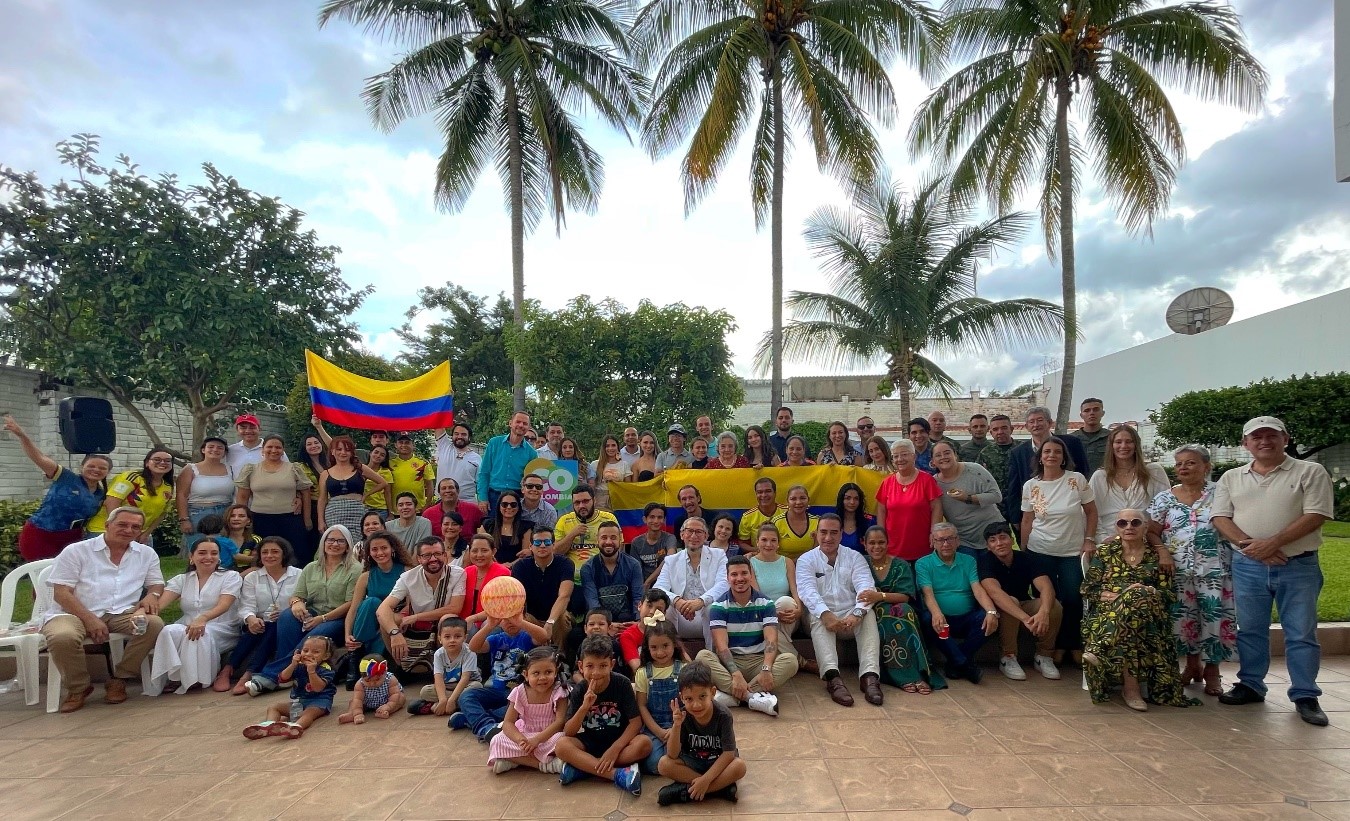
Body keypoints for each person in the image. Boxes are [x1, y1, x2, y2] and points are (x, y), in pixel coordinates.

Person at [1211, 416, 1334, 726]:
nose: (1264, 441)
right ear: (1245, 443)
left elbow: (1317, 514)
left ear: (1286, 438)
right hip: (1248, 565)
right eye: (1257, 437)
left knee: (1301, 632)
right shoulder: (1231, 477)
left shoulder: (1310, 471)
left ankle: (1306, 694)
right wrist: (1251, 546)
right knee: (1250, 630)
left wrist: (1274, 543)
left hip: (1298, 565)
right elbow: (1220, 517)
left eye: (1271, 435)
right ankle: (1251, 684)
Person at [39, 506, 165, 713]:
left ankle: (120, 679)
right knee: (62, 637)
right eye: (122, 524)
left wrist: (152, 595)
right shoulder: (76, 551)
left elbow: (156, 584)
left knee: (153, 624)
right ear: (107, 525)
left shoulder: (146, 554)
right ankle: (78, 688)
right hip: (73, 612)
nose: (128, 530)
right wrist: (89, 619)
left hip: (122, 612)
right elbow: (61, 593)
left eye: (135, 527)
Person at [1082, 510, 1197, 711]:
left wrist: (1147, 592)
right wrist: (1120, 597)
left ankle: (1102, 648)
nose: (1129, 527)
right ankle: (1131, 689)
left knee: (1138, 599)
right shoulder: (1106, 552)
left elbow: (1168, 594)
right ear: (1116, 527)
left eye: (1135, 522)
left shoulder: (1158, 556)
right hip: (1109, 612)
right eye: (1122, 523)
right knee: (1133, 610)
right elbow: (1087, 589)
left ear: (1145, 527)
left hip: (1150, 612)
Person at [1148, 444, 1234, 697]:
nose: (1183, 468)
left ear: (1207, 466)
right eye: (1179, 464)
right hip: (1177, 568)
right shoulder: (1165, 497)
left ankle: (1213, 671)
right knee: (1184, 619)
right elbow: (1152, 530)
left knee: (1213, 617)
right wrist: (1163, 552)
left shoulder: (1221, 493)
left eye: (1191, 463)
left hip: (1214, 569)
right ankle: (1192, 664)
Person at [244, 525, 361, 696]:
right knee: (286, 616)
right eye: (330, 540)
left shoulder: (354, 568)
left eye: (340, 541)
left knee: (316, 635)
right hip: (312, 612)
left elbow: (351, 603)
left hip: (338, 618)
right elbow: (297, 595)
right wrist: (298, 604)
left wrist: (322, 618)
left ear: (348, 545)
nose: (335, 544)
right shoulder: (311, 567)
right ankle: (289, 673)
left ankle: (272, 676)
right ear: (323, 543)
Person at [1019, 436, 1097, 662]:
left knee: (1073, 598)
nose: (1051, 455)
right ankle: (1047, 648)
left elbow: (1091, 512)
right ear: (1040, 457)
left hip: (1071, 552)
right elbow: (1027, 520)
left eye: (1057, 452)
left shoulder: (1076, 480)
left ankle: (1070, 644)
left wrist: (1089, 539)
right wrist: (1024, 551)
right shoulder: (1031, 485)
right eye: (1047, 452)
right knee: (1047, 601)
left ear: (1063, 457)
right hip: (1040, 550)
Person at [796, 514, 883, 707]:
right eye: (823, 532)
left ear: (841, 534)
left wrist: (857, 613)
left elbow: (866, 588)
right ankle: (832, 678)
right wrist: (826, 615)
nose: (828, 537)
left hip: (851, 616)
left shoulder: (854, 557)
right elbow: (807, 592)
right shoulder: (806, 560)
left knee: (868, 615)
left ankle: (869, 677)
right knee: (818, 618)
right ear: (816, 534)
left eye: (834, 533)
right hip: (820, 615)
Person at [696, 555, 798, 717]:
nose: (739, 578)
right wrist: (735, 673)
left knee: (790, 661)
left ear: (751, 575)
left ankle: (734, 697)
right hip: (730, 664)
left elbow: (771, 641)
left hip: (758, 661)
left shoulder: (766, 604)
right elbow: (721, 646)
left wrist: (766, 669)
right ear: (728, 578)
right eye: (734, 575)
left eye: (744, 573)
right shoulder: (718, 607)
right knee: (703, 657)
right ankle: (752, 697)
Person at [3, 414, 110, 561]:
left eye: (102, 468)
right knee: (41, 575)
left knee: (66, 577)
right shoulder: (66, 478)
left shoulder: (101, 494)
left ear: (107, 472)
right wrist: (22, 435)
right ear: (82, 467)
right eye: (91, 466)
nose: (96, 470)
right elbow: (39, 458)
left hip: (71, 539)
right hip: (41, 533)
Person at [555, 634, 649, 795]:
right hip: (591, 743)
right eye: (590, 666)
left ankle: (585, 768)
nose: (596, 673)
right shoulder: (579, 689)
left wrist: (615, 748)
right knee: (562, 746)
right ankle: (616, 774)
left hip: (619, 743)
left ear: (612, 664)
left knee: (645, 743)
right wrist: (584, 707)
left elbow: (636, 722)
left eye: (603, 666)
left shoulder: (622, 684)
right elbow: (569, 732)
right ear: (580, 666)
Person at [147, 537, 243, 695]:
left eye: (214, 553)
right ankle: (174, 677)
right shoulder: (182, 580)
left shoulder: (231, 577)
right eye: (202, 553)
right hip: (189, 624)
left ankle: (195, 679)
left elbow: (224, 605)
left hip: (222, 627)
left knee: (198, 633)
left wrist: (203, 619)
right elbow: (160, 604)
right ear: (191, 557)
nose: (208, 557)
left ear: (219, 557)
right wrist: (143, 613)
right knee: (169, 630)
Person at [915, 523, 1000, 684]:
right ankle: (964, 664)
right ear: (933, 542)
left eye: (950, 539)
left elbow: (978, 589)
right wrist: (937, 613)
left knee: (988, 619)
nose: (945, 544)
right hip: (942, 620)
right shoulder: (923, 563)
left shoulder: (968, 561)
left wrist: (991, 611)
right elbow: (928, 594)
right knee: (928, 619)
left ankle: (956, 661)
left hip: (966, 618)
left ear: (958, 541)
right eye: (940, 540)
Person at [978, 522, 1062, 682]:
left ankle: (1044, 656)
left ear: (1011, 540)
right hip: (999, 610)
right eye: (993, 540)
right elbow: (994, 592)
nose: (999, 543)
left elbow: (1046, 587)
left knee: (1054, 606)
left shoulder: (1026, 559)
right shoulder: (985, 561)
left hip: (1024, 605)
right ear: (988, 546)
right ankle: (1008, 657)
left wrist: (1043, 612)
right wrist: (1025, 619)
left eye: (1003, 538)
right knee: (1011, 601)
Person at [862, 525, 942, 693]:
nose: (877, 547)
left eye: (881, 542)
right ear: (864, 544)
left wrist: (880, 596)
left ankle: (918, 673)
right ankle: (900, 676)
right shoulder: (860, 563)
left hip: (897, 606)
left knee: (904, 611)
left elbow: (905, 596)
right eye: (872, 543)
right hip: (869, 610)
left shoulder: (900, 564)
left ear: (888, 543)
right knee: (889, 616)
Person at [657, 661, 747, 806]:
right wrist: (676, 726)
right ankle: (720, 789)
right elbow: (672, 755)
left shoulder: (723, 715)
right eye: (689, 699)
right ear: (681, 698)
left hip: (717, 762)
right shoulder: (682, 715)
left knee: (739, 767)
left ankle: (686, 791)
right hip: (693, 763)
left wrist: (705, 780)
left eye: (702, 697)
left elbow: (728, 754)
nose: (696, 705)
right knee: (663, 764)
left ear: (712, 692)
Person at [376, 536, 467, 674]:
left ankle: (445, 668)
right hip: (416, 626)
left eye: (437, 554)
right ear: (419, 559)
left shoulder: (458, 574)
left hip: (441, 624)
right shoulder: (408, 577)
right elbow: (382, 609)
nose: (433, 559)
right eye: (427, 555)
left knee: (448, 619)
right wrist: (394, 633)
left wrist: (417, 617)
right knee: (387, 621)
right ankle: (400, 666)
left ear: (445, 555)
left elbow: (455, 608)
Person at [458, 613, 551, 740]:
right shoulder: (496, 639)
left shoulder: (527, 638)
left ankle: (469, 718)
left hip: (521, 695)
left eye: (514, 617)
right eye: (505, 619)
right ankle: (487, 727)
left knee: (515, 712)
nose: (509, 622)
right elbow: (474, 647)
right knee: (466, 696)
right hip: (498, 690)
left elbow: (543, 636)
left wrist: (520, 622)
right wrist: (489, 626)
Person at [227, 536, 301, 695]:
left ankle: (246, 672)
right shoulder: (252, 577)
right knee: (261, 627)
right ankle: (229, 669)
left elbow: (302, 600)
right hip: (260, 623)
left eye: (275, 551)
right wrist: (251, 618)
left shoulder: (298, 575)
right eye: (265, 552)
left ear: (284, 554)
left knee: (274, 626)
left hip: (287, 624)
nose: (269, 555)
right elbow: (246, 606)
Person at [1003, 406, 1091, 528]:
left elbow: (1083, 471)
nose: (1036, 424)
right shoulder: (1018, 452)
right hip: (1034, 511)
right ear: (1027, 426)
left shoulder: (1071, 443)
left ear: (1049, 423)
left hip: (1068, 511)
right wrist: (1015, 518)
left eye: (1040, 420)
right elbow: (1015, 486)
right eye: (1031, 422)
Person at [488, 647, 569, 774]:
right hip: (526, 735)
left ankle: (515, 760)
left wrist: (537, 740)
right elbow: (508, 723)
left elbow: (560, 722)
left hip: (549, 737)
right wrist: (521, 741)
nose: (542, 677)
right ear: (526, 674)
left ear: (556, 671)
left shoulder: (559, 691)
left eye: (548, 672)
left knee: (563, 740)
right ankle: (544, 765)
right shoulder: (519, 691)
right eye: (536, 673)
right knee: (497, 740)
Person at [235, 436, 313, 564]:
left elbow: (306, 493)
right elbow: (243, 497)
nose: (274, 450)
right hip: (260, 520)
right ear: (263, 450)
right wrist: (242, 520)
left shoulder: (294, 468)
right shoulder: (251, 469)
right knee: (264, 556)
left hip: (291, 519)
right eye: (269, 447)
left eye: (278, 447)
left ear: (283, 451)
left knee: (297, 555)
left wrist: (307, 519)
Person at [241, 634, 335, 740]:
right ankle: (268, 725)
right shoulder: (299, 665)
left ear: (326, 656)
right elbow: (283, 678)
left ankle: (296, 727)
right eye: (305, 650)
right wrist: (293, 664)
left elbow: (318, 688)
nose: (309, 654)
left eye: (316, 652)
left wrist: (311, 671)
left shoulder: (326, 669)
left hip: (319, 701)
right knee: (274, 707)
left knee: (308, 713)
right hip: (300, 700)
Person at [1088, 425, 1170, 546]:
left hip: (1146, 544)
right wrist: (1103, 539)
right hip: (1108, 545)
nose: (1123, 446)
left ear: (1136, 445)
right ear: (1111, 446)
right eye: (1118, 442)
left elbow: (1165, 510)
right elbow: (1091, 512)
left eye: (1129, 441)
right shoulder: (1100, 476)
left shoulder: (1154, 472)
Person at [344, 530, 412, 670]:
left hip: (397, 617)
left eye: (384, 548)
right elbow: (354, 609)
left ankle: (365, 659)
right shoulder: (365, 577)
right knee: (371, 602)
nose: (380, 553)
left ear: (392, 548)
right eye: (374, 549)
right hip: (370, 622)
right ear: (369, 553)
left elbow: (410, 606)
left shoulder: (407, 571)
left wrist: (394, 618)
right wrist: (347, 634)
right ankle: (356, 653)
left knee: (380, 612)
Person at [654, 518, 729, 641]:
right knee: (667, 607)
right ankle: (674, 655)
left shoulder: (718, 555)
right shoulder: (671, 560)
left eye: (699, 532)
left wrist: (701, 601)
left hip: (710, 615)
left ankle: (713, 655)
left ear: (706, 536)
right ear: (682, 535)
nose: (694, 536)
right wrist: (677, 601)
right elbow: (658, 587)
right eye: (689, 531)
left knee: (712, 607)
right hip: (682, 614)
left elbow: (724, 584)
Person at [554, 484, 619, 613]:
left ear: (594, 500)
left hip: (600, 575)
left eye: (585, 501)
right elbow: (555, 552)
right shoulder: (564, 520)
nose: (581, 506)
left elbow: (618, 547)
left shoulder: (608, 518)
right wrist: (572, 535)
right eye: (577, 502)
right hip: (572, 580)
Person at [874, 439, 943, 562]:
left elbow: (936, 507)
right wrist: (881, 535)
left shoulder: (927, 480)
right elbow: (881, 510)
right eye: (896, 456)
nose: (900, 459)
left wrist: (935, 532)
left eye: (904, 454)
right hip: (894, 547)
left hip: (922, 547)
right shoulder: (887, 483)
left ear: (914, 456)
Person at [931, 441, 1005, 554]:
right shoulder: (934, 483)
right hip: (963, 540)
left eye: (947, 453)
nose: (943, 457)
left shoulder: (975, 469)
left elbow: (996, 496)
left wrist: (968, 498)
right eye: (938, 455)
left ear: (955, 455)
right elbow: (935, 510)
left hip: (992, 533)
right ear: (933, 462)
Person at [85, 448, 175, 540]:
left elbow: (161, 514)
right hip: (105, 530)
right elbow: (111, 501)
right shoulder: (132, 477)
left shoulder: (168, 487)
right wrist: (120, 528)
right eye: (157, 459)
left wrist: (146, 533)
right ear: (147, 463)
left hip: (139, 534)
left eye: (168, 461)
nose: (163, 462)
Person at [635, 619, 686, 773]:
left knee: (688, 754)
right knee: (653, 764)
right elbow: (642, 706)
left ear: (674, 644)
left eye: (665, 646)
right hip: (653, 728)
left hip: (681, 725)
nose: (660, 652)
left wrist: (675, 729)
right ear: (647, 648)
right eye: (654, 647)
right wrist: (658, 731)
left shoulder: (684, 669)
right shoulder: (643, 673)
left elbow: (688, 704)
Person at [512, 531, 575, 649]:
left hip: (556, 617)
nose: (542, 546)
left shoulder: (565, 564)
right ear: (530, 546)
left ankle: (561, 658)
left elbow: (564, 596)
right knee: (521, 618)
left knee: (561, 618)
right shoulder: (520, 566)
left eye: (547, 542)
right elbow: (517, 599)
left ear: (553, 545)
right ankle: (529, 658)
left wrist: (550, 622)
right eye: (537, 542)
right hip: (532, 616)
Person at [406, 616, 478, 718]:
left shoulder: (470, 652)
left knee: (476, 687)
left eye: (457, 636)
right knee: (425, 691)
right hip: (447, 686)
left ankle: (437, 706)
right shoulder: (438, 654)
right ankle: (458, 705)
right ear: (440, 639)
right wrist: (443, 699)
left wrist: (452, 699)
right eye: (447, 637)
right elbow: (438, 678)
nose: (452, 640)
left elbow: (465, 678)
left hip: (466, 685)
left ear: (465, 637)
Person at [748, 524, 804, 654]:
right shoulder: (750, 563)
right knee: (767, 623)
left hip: (786, 616)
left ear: (778, 543)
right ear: (757, 542)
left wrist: (799, 610)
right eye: (764, 540)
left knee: (786, 601)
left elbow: (795, 590)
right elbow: (757, 596)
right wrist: (772, 613)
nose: (769, 544)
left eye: (773, 540)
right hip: (761, 612)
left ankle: (776, 649)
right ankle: (797, 658)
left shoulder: (787, 562)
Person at [318, 435, 389, 536]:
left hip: (357, 511)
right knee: (338, 540)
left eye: (347, 450)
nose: (343, 452)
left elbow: (383, 483)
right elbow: (322, 499)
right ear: (332, 451)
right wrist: (320, 521)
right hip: (334, 513)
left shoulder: (360, 468)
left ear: (352, 452)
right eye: (339, 449)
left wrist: (366, 495)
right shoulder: (325, 474)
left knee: (359, 542)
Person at [175, 436, 234, 551]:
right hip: (198, 514)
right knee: (199, 549)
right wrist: (184, 520)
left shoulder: (230, 469)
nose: (215, 450)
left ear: (224, 452)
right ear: (203, 450)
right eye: (211, 447)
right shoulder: (190, 469)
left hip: (225, 513)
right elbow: (181, 495)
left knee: (222, 550)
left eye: (220, 448)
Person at [582, 521, 646, 625]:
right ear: (597, 540)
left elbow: (638, 598)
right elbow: (592, 602)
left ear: (621, 539)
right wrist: (607, 625)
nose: (608, 542)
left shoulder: (633, 565)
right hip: (600, 624)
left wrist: (638, 623)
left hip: (628, 622)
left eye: (613, 538)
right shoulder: (588, 568)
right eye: (604, 537)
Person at [477, 412, 539, 514]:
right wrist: (483, 498)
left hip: (517, 498)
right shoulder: (494, 443)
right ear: (510, 423)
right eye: (518, 422)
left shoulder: (531, 453)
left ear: (528, 427)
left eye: (524, 423)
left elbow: (530, 481)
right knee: (491, 528)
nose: (521, 425)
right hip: (493, 496)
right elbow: (484, 473)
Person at [338, 654, 406, 723]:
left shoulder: (390, 679)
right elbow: (358, 699)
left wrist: (388, 706)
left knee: (401, 698)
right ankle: (352, 714)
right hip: (368, 703)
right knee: (353, 702)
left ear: (384, 673)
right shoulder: (360, 684)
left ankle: (386, 711)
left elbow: (394, 694)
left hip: (387, 700)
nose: (372, 683)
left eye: (377, 679)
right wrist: (358, 713)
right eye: (367, 680)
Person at [295, 431, 332, 556]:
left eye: (316, 442)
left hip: (331, 506)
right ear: (304, 448)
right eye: (309, 444)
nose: (313, 446)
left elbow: (333, 445)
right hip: (311, 506)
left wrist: (319, 427)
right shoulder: (299, 466)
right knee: (314, 540)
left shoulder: (330, 464)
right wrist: (298, 497)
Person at [977, 414, 1020, 519]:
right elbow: (978, 478)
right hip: (996, 505)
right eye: (995, 429)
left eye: (1004, 428)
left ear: (1011, 429)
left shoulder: (1023, 449)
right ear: (991, 432)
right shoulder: (985, 453)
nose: (1000, 432)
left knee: (1023, 535)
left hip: (1020, 501)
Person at [629, 502, 677, 588]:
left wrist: (649, 581)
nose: (656, 521)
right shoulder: (636, 542)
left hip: (666, 584)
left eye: (660, 517)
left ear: (664, 520)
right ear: (645, 519)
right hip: (643, 585)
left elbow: (670, 559)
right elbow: (636, 569)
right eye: (652, 517)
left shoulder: (670, 538)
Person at [434, 422, 481, 504]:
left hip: (467, 503)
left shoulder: (477, 458)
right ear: (452, 436)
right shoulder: (444, 446)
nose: (459, 437)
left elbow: (481, 484)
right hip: (442, 502)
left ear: (469, 437)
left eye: (463, 434)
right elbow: (438, 421)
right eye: (456, 434)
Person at [483, 490, 534, 565]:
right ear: (499, 506)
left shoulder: (526, 528)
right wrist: (497, 566)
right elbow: (481, 549)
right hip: (491, 566)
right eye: (504, 504)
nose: (509, 507)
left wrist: (510, 565)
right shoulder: (487, 525)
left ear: (518, 507)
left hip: (516, 567)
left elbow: (525, 554)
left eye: (513, 504)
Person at [771, 484, 818, 560]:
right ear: (787, 501)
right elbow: (769, 549)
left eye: (802, 498)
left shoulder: (817, 522)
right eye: (793, 499)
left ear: (808, 500)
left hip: (810, 565)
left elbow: (820, 551)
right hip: (782, 566)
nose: (798, 502)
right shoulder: (776, 522)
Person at [736, 477, 782, 548]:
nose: (764, 495)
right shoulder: (748, 516)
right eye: (760, 492)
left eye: (768, 491)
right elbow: (743, 542)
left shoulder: (787, 511)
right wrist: (758, 552)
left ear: (775, 493)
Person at [591, 434, 631, 508]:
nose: (610, 448)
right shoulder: (595, 464)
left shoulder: (624, 464)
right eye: (607, 446)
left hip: (618, 498)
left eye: (613, 445)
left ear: (617, 447)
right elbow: (591, 485)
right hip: (600, 499)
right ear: (603, 448)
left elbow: (628, 486)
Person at [1071, 398, 1109, 476]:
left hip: (1105, 483)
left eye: (1096, 409)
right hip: (1078, 484)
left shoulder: (1112, 438)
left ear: (1103, 413)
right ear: (1081, 415)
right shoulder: (1071, 439)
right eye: (1087, 410)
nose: (1091, 413)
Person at [835, 482, 875, 553]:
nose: (852, 502)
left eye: (856, 499)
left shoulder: (869, 522)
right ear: (841, 500)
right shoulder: (833, 521)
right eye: (848, 498)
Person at [222, 504, 264, 570]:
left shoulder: (256, 540)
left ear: (248, 520)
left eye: (241, 516)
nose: (236, 519)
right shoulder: (219, 540)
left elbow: (259, 561)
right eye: (232, 516)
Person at [361, 444, 395, 519]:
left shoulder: (386, 472)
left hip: (380, 508)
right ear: (370, 453)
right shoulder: (361, 469)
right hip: (363, 506)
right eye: (376, 452)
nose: (378, 455)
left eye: (382, 455)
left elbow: (388, 493)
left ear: (384, 459)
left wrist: (390, 513)